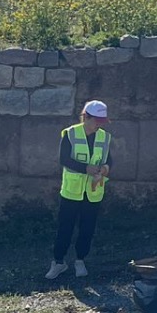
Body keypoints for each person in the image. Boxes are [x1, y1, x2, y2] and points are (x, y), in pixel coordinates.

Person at [46, 100, 111, 281]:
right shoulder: (71, 133)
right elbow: (64, 159)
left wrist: (105, 168)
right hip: (72, 191)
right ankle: (58, 262)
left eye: (102, 121)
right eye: (96, 120)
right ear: (86, 117)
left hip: (93, 191)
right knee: (65, 227)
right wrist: (85, 169)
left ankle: (80, 260)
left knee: (87, 228)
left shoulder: (104, 137)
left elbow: (109, 160)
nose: (99, 124)